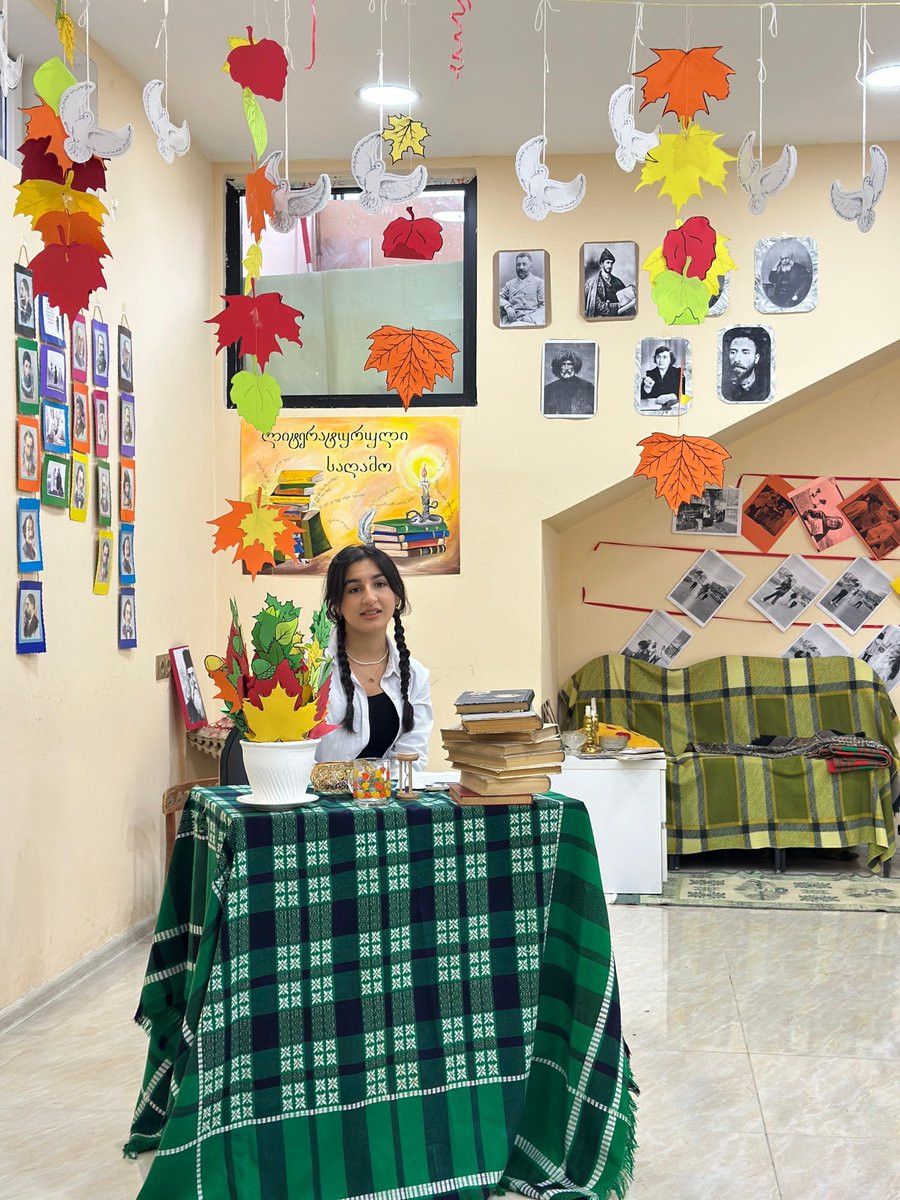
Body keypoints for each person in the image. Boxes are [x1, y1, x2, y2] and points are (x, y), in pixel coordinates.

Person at [314, 543, 433, 765]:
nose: (369, 598)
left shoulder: (415, 675)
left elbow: (411, 761)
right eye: (354, 589)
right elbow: (293, 758)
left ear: (396, 596)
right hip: (318, 788)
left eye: (379, 584)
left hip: (388, 788)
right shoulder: (310, 670)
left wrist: (378, 784)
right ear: (336, 605)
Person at [584, 247, 634, 318]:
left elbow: (626, 300)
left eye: (611, 263)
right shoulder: (592, 284)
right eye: (607, 263)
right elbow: (597, 306)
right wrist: (618, 304)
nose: (610, 266)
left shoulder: (618, 282)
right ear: (602, 264)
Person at [543, 348, 594, 416]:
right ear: (558, 367)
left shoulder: (588, 387)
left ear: (575, 365)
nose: (566, 368)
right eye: (563, 364)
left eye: (569, 364)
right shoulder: (548, 389)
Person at [499, 252, 545, 326]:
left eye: (524, 264)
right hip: (512, 320)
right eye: (518, 264)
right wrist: (507, 306)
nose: (521, 267)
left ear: (531, 266)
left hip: (531, 320)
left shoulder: (539, 282)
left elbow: (544, 306)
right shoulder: (510, 283)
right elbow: (498, 298)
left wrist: (531, 318)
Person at [724, 330, 770, 401]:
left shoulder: (767, 389)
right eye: (733, 352)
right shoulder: (724, 389)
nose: (736, 359)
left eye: (745, 353)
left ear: (756, 358)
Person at [764, 244, 812, 308]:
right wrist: (776, 266)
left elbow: (806, 283)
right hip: (779, 295)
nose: (784, 261)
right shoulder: (780, 268)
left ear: (791, 258)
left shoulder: (799, 267)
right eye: (782, 259)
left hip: (792, 296)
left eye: (786, 258)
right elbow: (772, 280)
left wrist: (797, 294)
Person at [641, 344, 683, 410]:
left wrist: (671, 396)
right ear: (655, 359)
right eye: (658, 357)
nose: (661, 360)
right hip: (654, 408)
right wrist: (647, 388)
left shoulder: (678, 373)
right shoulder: (650, 374)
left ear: (670, 360)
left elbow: (685, 392)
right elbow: (641, 396)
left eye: (664, 357)